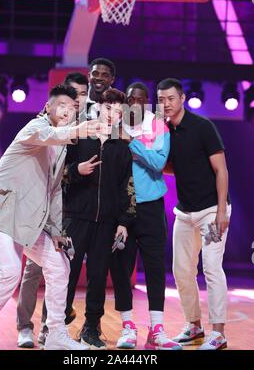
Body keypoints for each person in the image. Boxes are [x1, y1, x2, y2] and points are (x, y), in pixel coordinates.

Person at [0, 84, 99, 351]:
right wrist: (78, 130)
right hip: (0, 212)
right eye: (61, 105)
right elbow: (49, 134)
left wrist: (57, 231)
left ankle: (55, 335)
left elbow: (53, 192)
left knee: (59, 267)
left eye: (73, 108)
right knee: (10, 272)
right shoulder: (34, 128)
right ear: (48, 107)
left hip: (29, 221)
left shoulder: (60, 147)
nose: (67, 111)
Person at [157, 78, 231, 351]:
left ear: (182, 99)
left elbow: (221, 170)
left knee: (212, 269)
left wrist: (222, 210)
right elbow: (176, 168)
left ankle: (219, 333)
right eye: (161, 99)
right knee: (181, 271)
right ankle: (194, 326)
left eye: (171, 98)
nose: (165, 104)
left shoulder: (203, 127)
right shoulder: (164, 131)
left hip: (212, 210)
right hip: (185, 212)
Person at [16, 73, 89, 348]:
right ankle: (24, 326)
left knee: (59, 269)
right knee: (31, 270)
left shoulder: (88, 124)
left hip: (68, 207)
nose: (78, 99)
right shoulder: (45, 123)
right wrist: (75, 171)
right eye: (74, 94)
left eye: (83, 94)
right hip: (38, 207)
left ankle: (52, 330)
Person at [110, 82, 182, 351]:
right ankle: (127, 326)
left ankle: (157, 329)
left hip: (151, 205)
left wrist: (133, 145)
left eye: (141, 99)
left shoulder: (158, 126)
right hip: (121, 210)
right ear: (126, 101)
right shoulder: (115, 125)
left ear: (147, 101)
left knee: (154, 268)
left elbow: (158, 163)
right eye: (131, 99)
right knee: (121, 268)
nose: (136, 103)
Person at [62, 88, 134, 349]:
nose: (112, 114)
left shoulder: (123, 147)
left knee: (98, 275)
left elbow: (128, 186)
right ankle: (55, 326)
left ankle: (91, 328)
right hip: (75, 218)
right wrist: (76, 170)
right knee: (65, 274)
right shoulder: (79, 136)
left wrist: (124, 222)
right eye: (108, 108)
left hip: (106, 222)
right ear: (98, 108)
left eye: (118, 111)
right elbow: (59, 173)